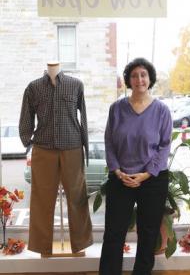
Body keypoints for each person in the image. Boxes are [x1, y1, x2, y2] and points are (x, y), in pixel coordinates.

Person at [99, 57, 172, 275]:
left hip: (152, 180)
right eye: (134, 75)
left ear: (150, 79)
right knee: (113, 233)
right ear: (129, 80)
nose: (139, 79)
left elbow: (164, 145)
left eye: (143, 75)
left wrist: (147, 174)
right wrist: (117, 170)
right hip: (121, 178)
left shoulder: (162, 111)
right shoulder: (117, 109)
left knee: (148, 232)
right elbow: (109, 141)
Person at [19, 61, 93, 255]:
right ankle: (43, 247)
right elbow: (26, 117)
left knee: (77, 198)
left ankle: (81, 245)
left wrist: (85, 145)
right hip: (43, 150)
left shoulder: (75, 85)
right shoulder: (33, 87)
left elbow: (83, 117)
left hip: (73, 148)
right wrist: (28, 141)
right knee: (41, 200)